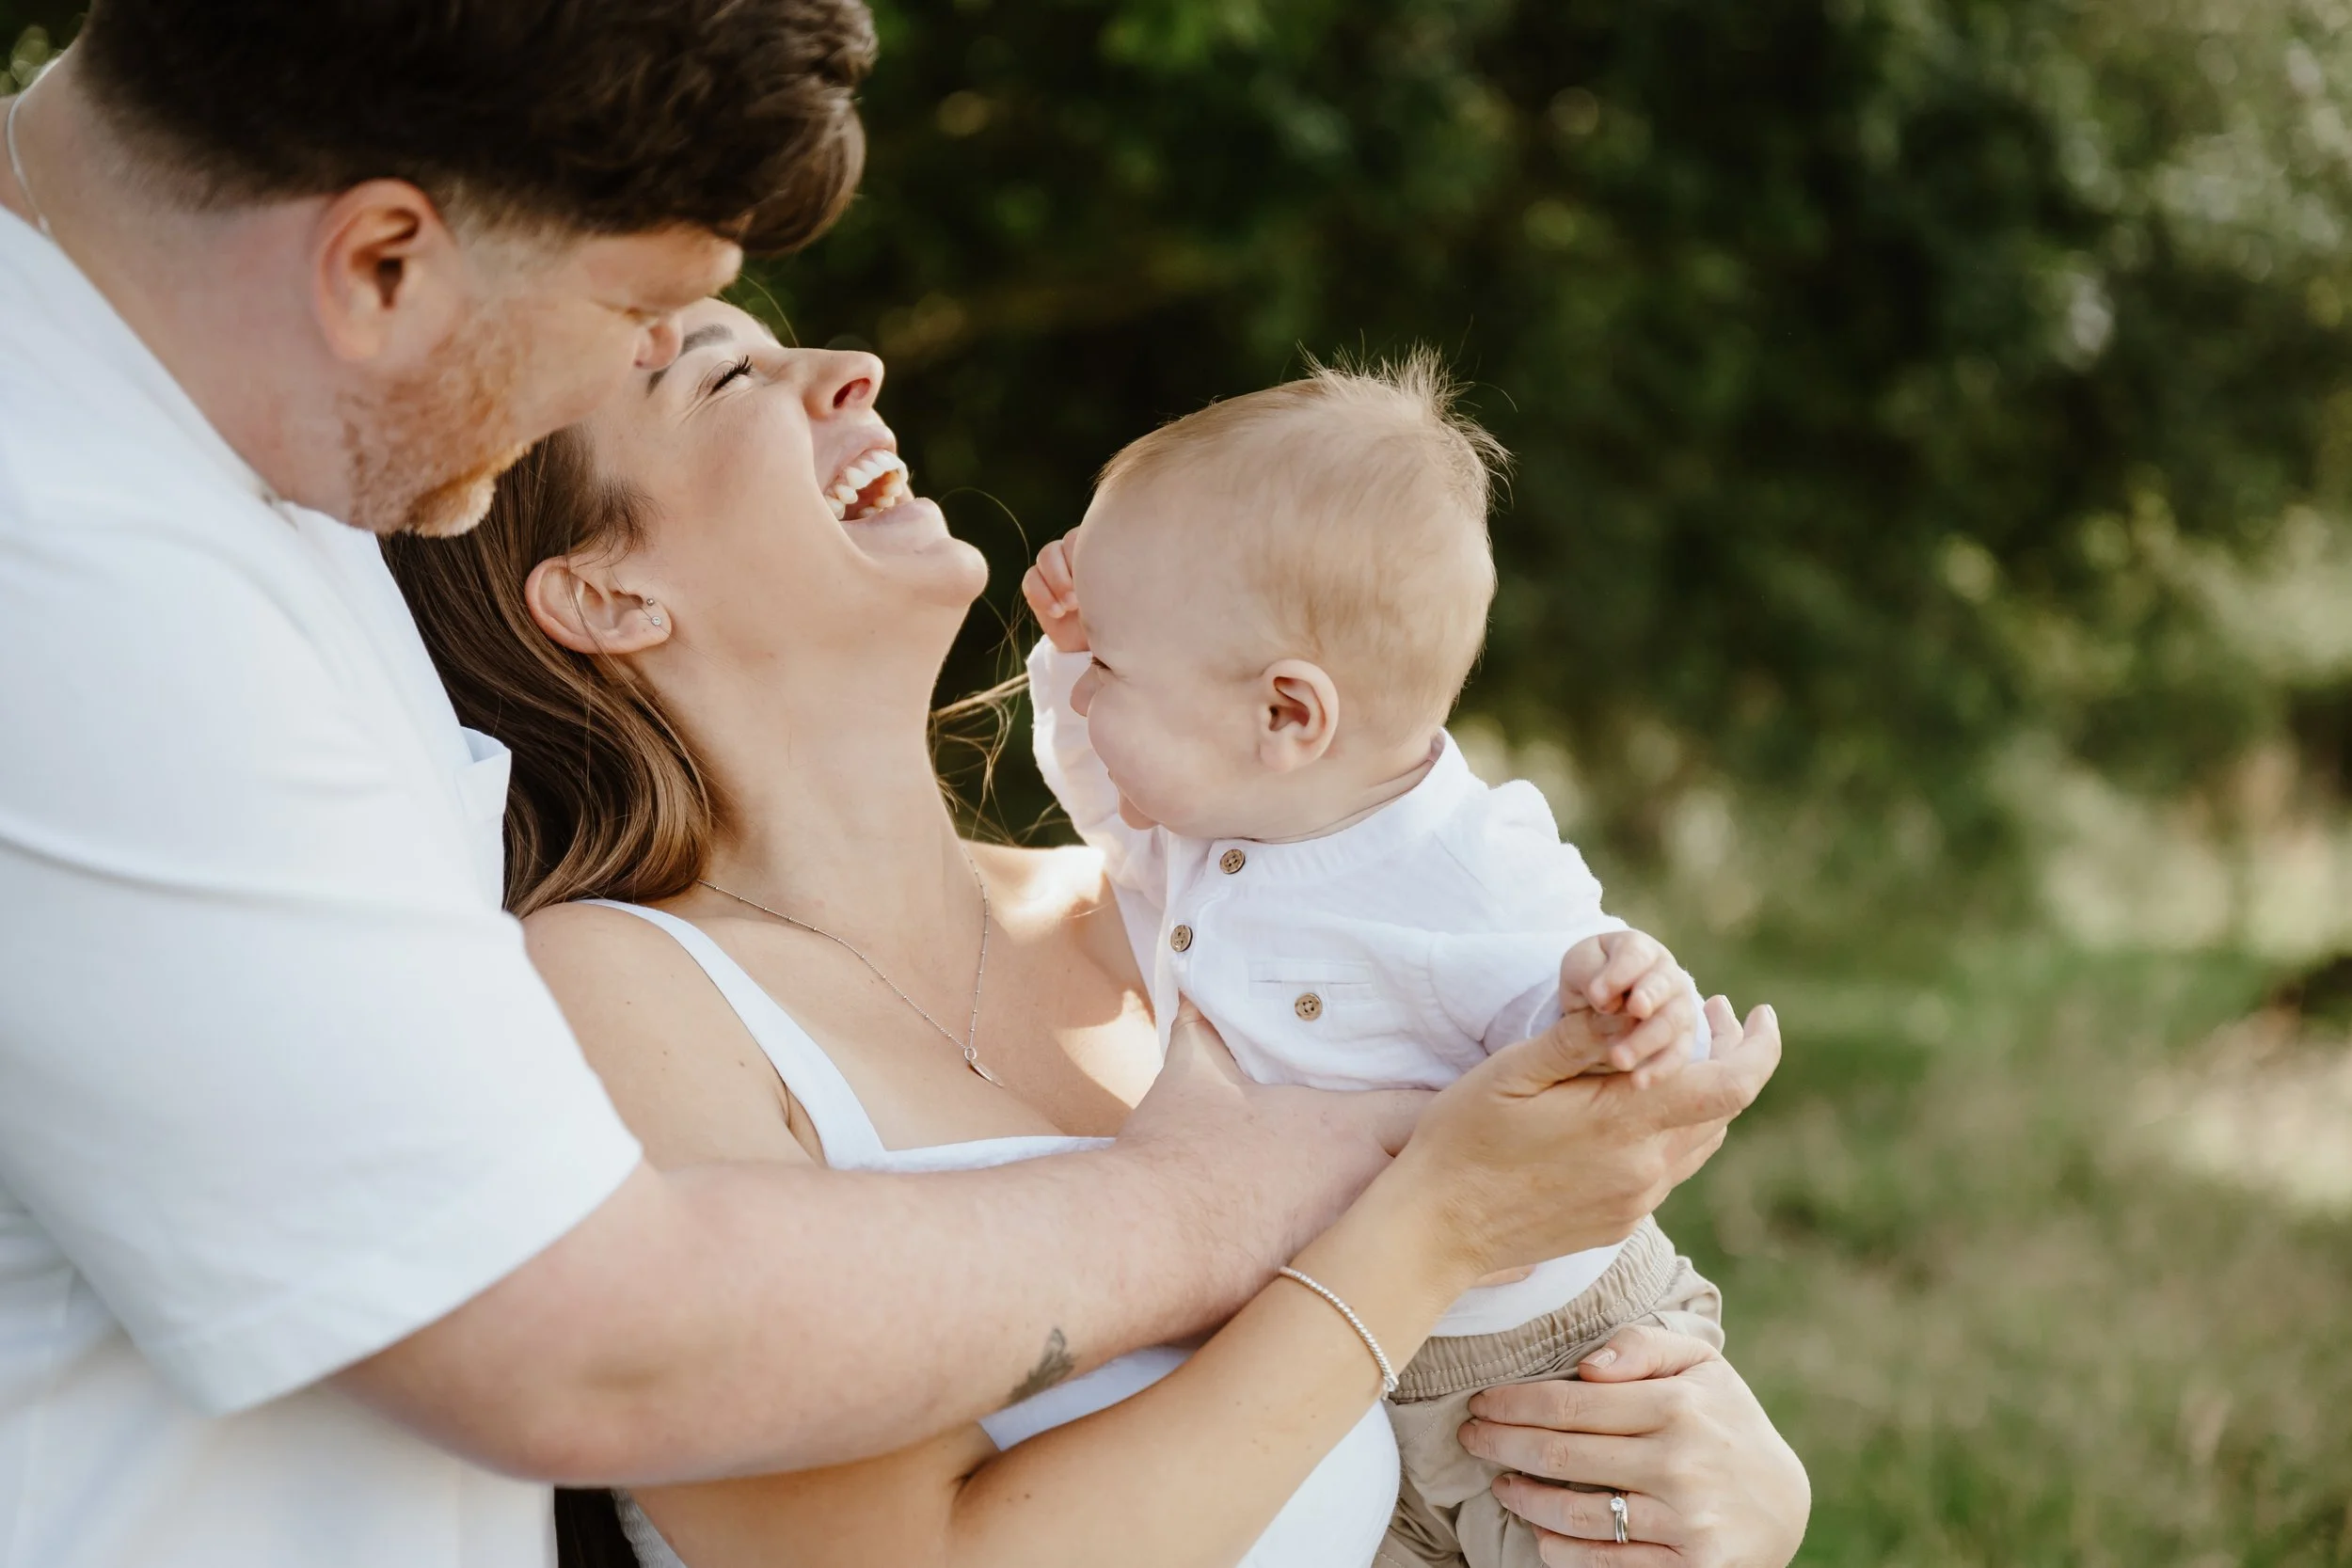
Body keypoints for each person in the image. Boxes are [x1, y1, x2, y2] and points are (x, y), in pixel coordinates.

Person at [0, 6, 1779, 1568]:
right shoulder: (80, 575)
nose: (846, 366)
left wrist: (1701, 1474)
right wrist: (1365, 1207)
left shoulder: (1174, 910)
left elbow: (1527, 1381)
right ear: (381, 262)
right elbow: (586, 1339)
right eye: (663, 325)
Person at [384, 297, 1798, 1567]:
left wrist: (1729, 1487)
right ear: (607, 591)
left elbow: (1547, 1349)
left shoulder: (1172, 924)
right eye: (723, 376)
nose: (851, 366)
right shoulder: (616, 987)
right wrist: (1422, 1229)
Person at [1015, 353, 1737, 1568]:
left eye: (1112, 672)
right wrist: (1068, 653)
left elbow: (1580, 997)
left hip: (1535, 1350)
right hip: (1363, 1331)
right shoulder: (1220, 822)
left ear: (1288, 713)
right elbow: (1101, 796)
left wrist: (1635, 1001)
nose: (1084, 700)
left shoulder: (1463, 857)